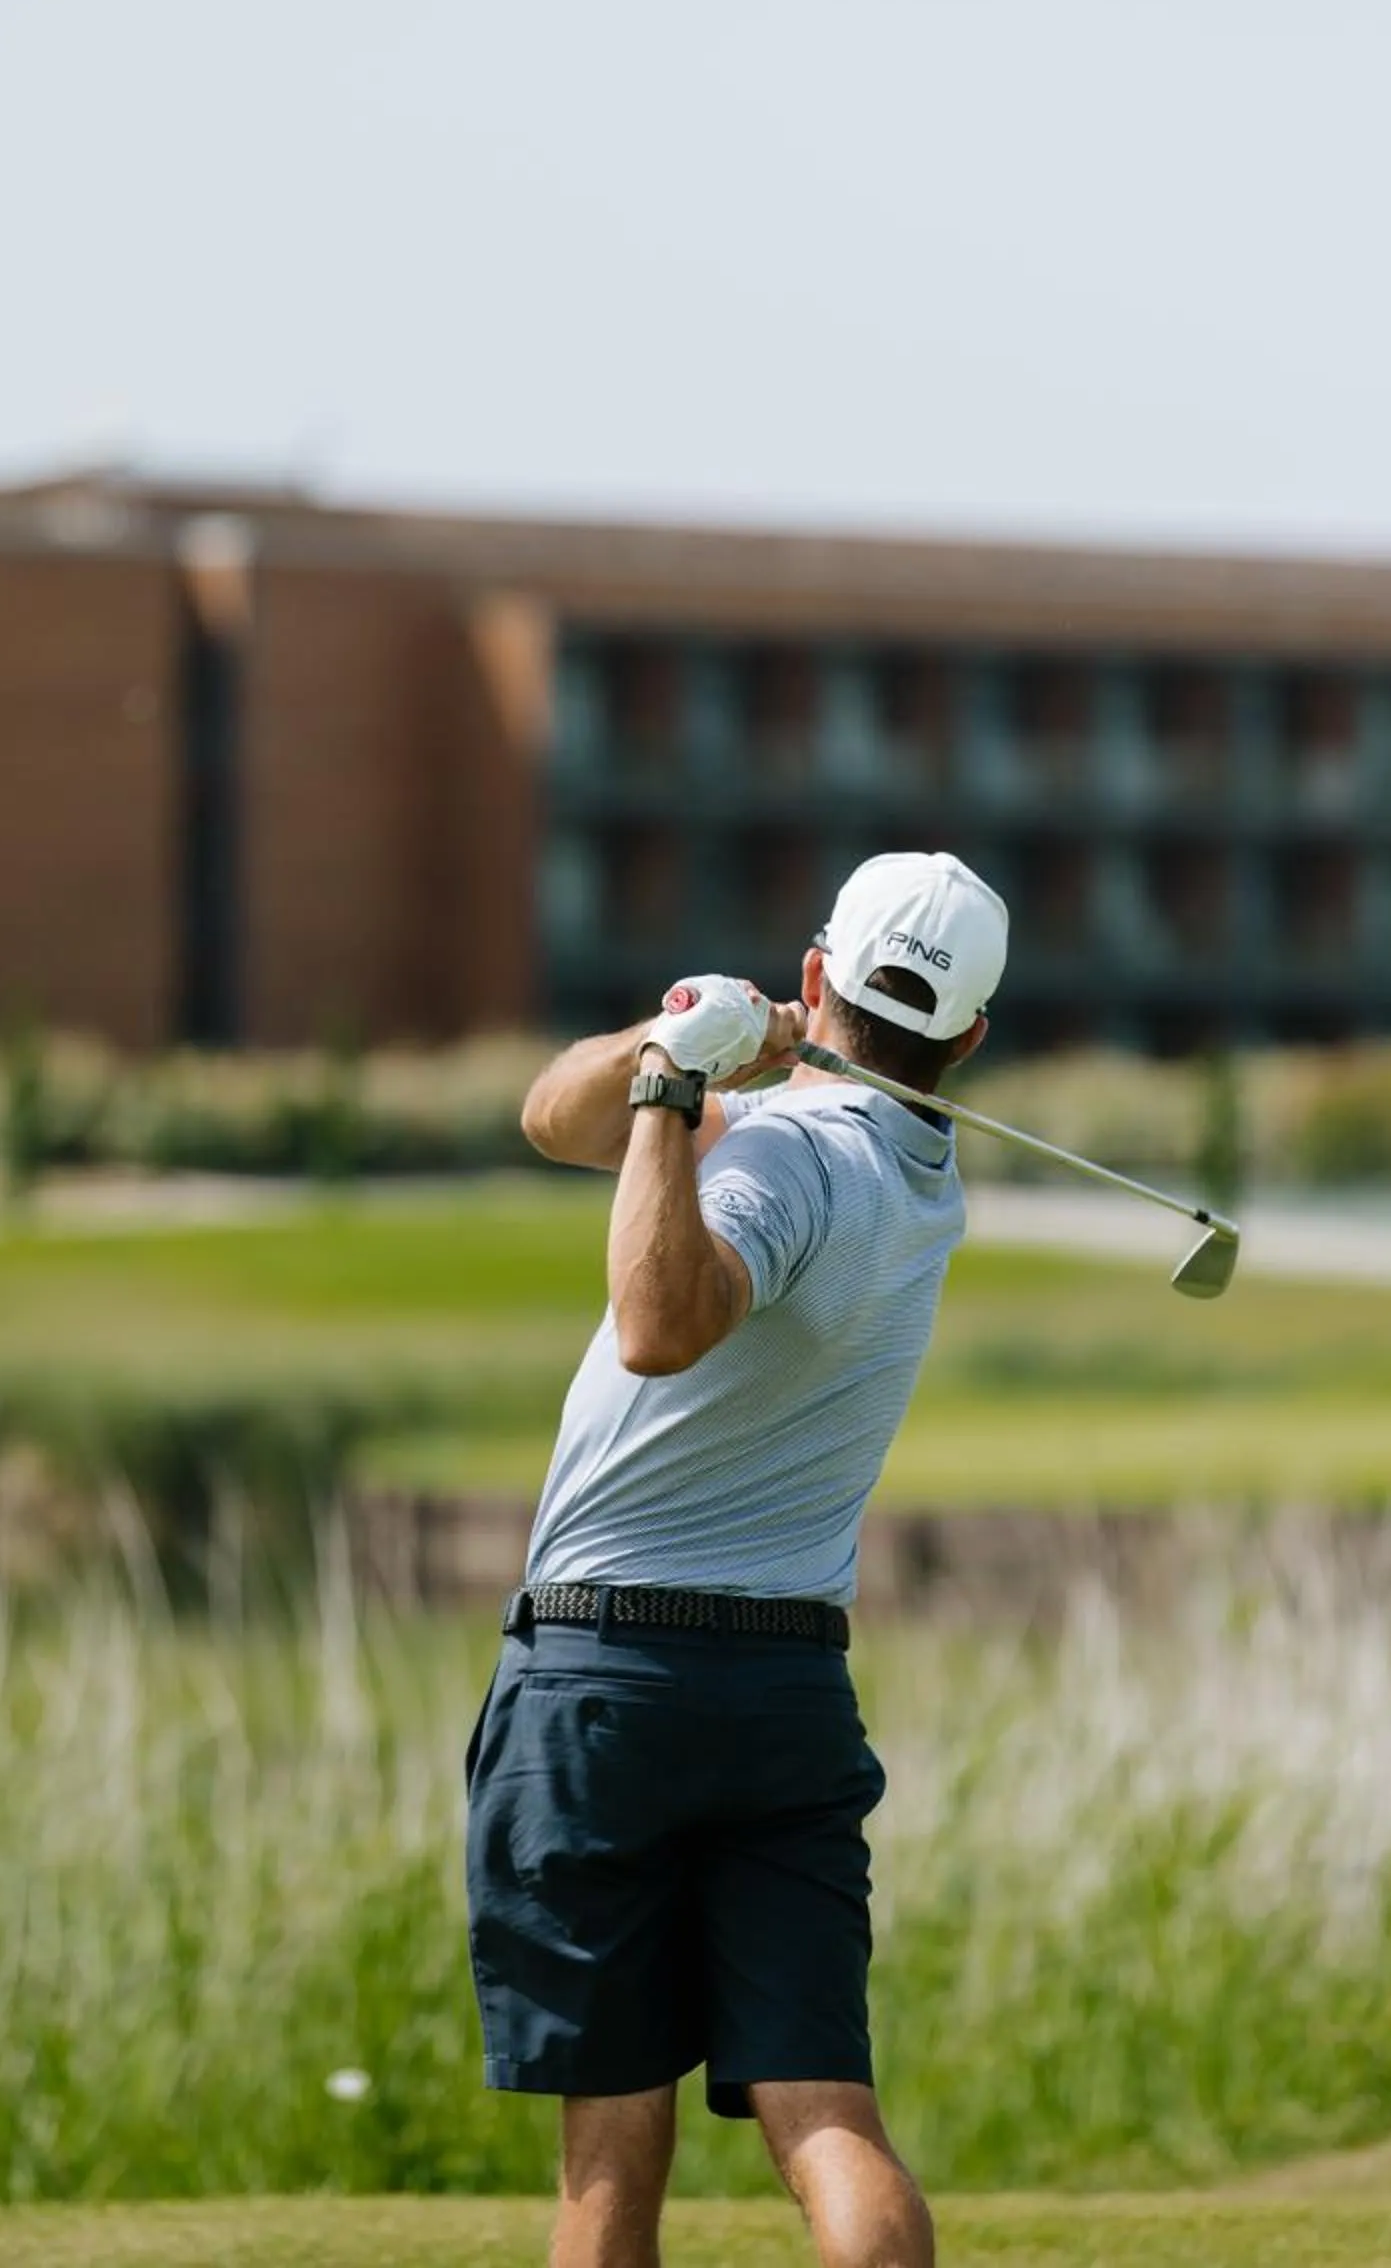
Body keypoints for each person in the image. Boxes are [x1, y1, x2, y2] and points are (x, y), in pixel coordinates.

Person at [466, 848, 1009, 2268]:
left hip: (613, 1679)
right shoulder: (919, 1174)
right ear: (970, 1039)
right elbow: (547, 1119)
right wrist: (673, 1048)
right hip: (785, 1697)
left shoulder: (781, 1151)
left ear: (817, 974)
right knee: (828, 2118)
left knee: (607, 2165)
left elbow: (660, 1318)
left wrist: (671, 1088)